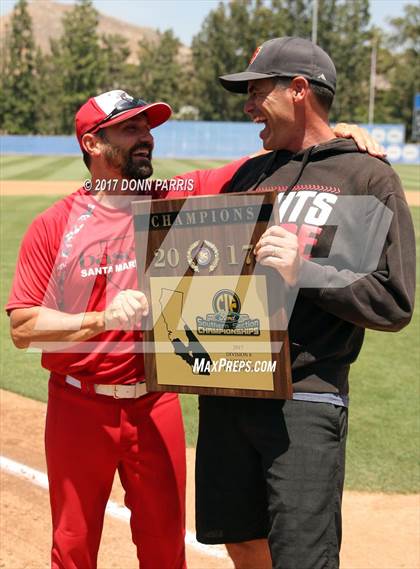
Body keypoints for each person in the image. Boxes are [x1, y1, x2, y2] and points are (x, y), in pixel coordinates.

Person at [6, 88, 384, 569]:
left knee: (165, 549)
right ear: (92, 144)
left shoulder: (172, 199)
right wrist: (100, 319)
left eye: (148, 128)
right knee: (74, 546)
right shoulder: (54, 225)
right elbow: (23, 327)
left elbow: (272, 155)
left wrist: (336, 133)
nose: (147, 138)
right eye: (131, 129)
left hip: (155, 402)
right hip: (79, 407)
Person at [193, 37, 416, 569]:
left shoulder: (366, 178)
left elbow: (394, 301)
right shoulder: (249, 175)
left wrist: (306, 272)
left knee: (303, 557)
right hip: (228, 388)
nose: (247, 107)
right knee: (241, 540)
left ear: (298, 90)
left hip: (306, 399)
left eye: (256, 92)